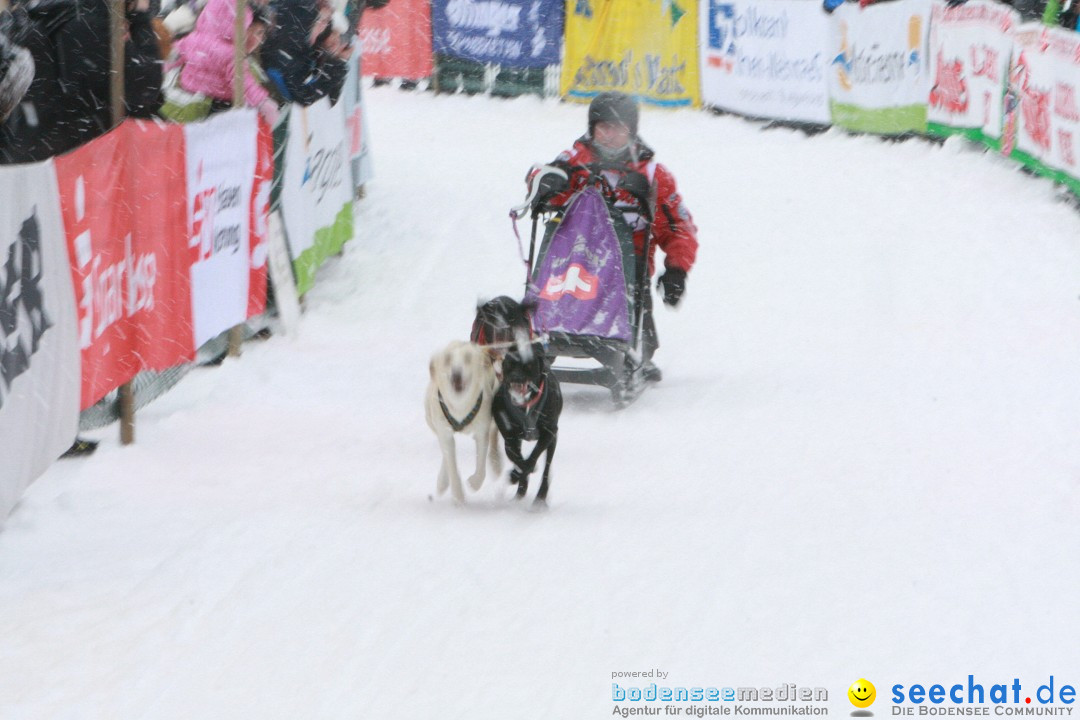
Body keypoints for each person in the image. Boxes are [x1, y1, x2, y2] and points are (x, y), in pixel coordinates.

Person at [528, 91, 698, 381]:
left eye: (618, 128)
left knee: (633, 303)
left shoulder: (654, 175)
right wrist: (547, 183)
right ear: (592, 129)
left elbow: (679, 228)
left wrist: (677, 270)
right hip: (573, 260)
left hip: (627, 268)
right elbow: (538, 176)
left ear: (631, 131)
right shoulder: (573, 161)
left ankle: (637, 353)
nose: (609, 135)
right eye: (603, 127)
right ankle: (541, 338)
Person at [0, 0, 163, 164]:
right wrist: (141, 19)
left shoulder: (28, 21)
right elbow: (146, 87)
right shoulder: (91, 23)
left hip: (22, 165)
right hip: (71, 168)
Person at [166, 0, 279, 123]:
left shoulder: (193, 39)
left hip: (188, 99)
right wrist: (262, 102)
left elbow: (172, 55)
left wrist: (157, 67)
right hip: (218, 105)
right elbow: (244, 83)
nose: (254, 38)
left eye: (259, 33)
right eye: (248, 29)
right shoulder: (232, 54)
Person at [260, 0, 351, 106]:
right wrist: (337, 65)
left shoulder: (303, 43)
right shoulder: (288, 46)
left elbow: (331, 97)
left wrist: (329, 55)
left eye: (327, 22)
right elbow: (304, 97)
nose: (323, 27)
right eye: (321, 20)